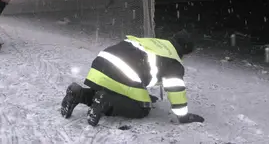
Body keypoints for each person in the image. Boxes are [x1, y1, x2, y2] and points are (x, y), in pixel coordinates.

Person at [60, 30, 205, 126]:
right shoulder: (173, 61)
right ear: (185, 51)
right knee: (142, 109)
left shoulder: (156, 43)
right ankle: (106, 102)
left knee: (114, 90)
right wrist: (183, 116)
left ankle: (79, 94)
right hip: (123, 72)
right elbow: (176, 91)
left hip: (101, 65)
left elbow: (141, 65)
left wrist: (144, 95)